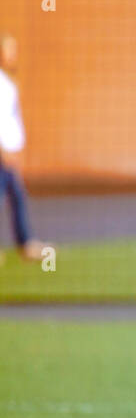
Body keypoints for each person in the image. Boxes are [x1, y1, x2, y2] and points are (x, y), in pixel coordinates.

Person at [0, 34, 51, 264]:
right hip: (3, 153)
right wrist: (4, 151)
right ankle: (25, 242)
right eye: (8, 50)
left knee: (17, 196)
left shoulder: (8, 81)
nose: (12, 54)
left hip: (10, 152)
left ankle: (25, 242)